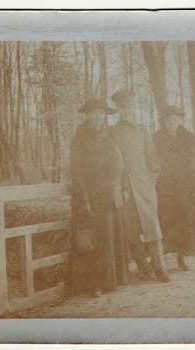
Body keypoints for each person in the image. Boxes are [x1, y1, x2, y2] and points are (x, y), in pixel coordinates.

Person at [69, 98, 129, 297]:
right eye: (94, 113)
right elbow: (76, 172)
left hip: (112, 194)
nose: (98, 117)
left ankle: (112, 280)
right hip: (91, 197)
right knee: (95, 241)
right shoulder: (80, 138)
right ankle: (94, 284)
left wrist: (123, 186)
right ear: (86, 115)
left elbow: (121, 162)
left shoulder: (108, 134)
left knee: (111, 238)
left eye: (101, 113)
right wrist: (84, 199)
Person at [110, 89, 170, 283]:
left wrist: (151, 178)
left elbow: (153, 159)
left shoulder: (142, 130)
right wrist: (120, 184)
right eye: (122, 106)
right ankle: (143, 268)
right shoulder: (112, 132)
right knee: (131, 230)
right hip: (124, 188)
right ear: (118, 109)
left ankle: (159, 267)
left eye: (129, 106)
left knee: (152, 226)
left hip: (144, 186)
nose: (126, 109)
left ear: (133, 107)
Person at [153, 105, 195, 271]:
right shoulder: (156, 138)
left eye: (175, 119)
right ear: (163, 122)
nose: (172, 122)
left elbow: (194, 163)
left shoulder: (188, 137)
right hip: (164, 187)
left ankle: (181, 257)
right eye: (168, 120)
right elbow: (152, 161)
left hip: (184, 187)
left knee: (184, 221)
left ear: (179, 120)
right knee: (166, 221)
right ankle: (160, 259)